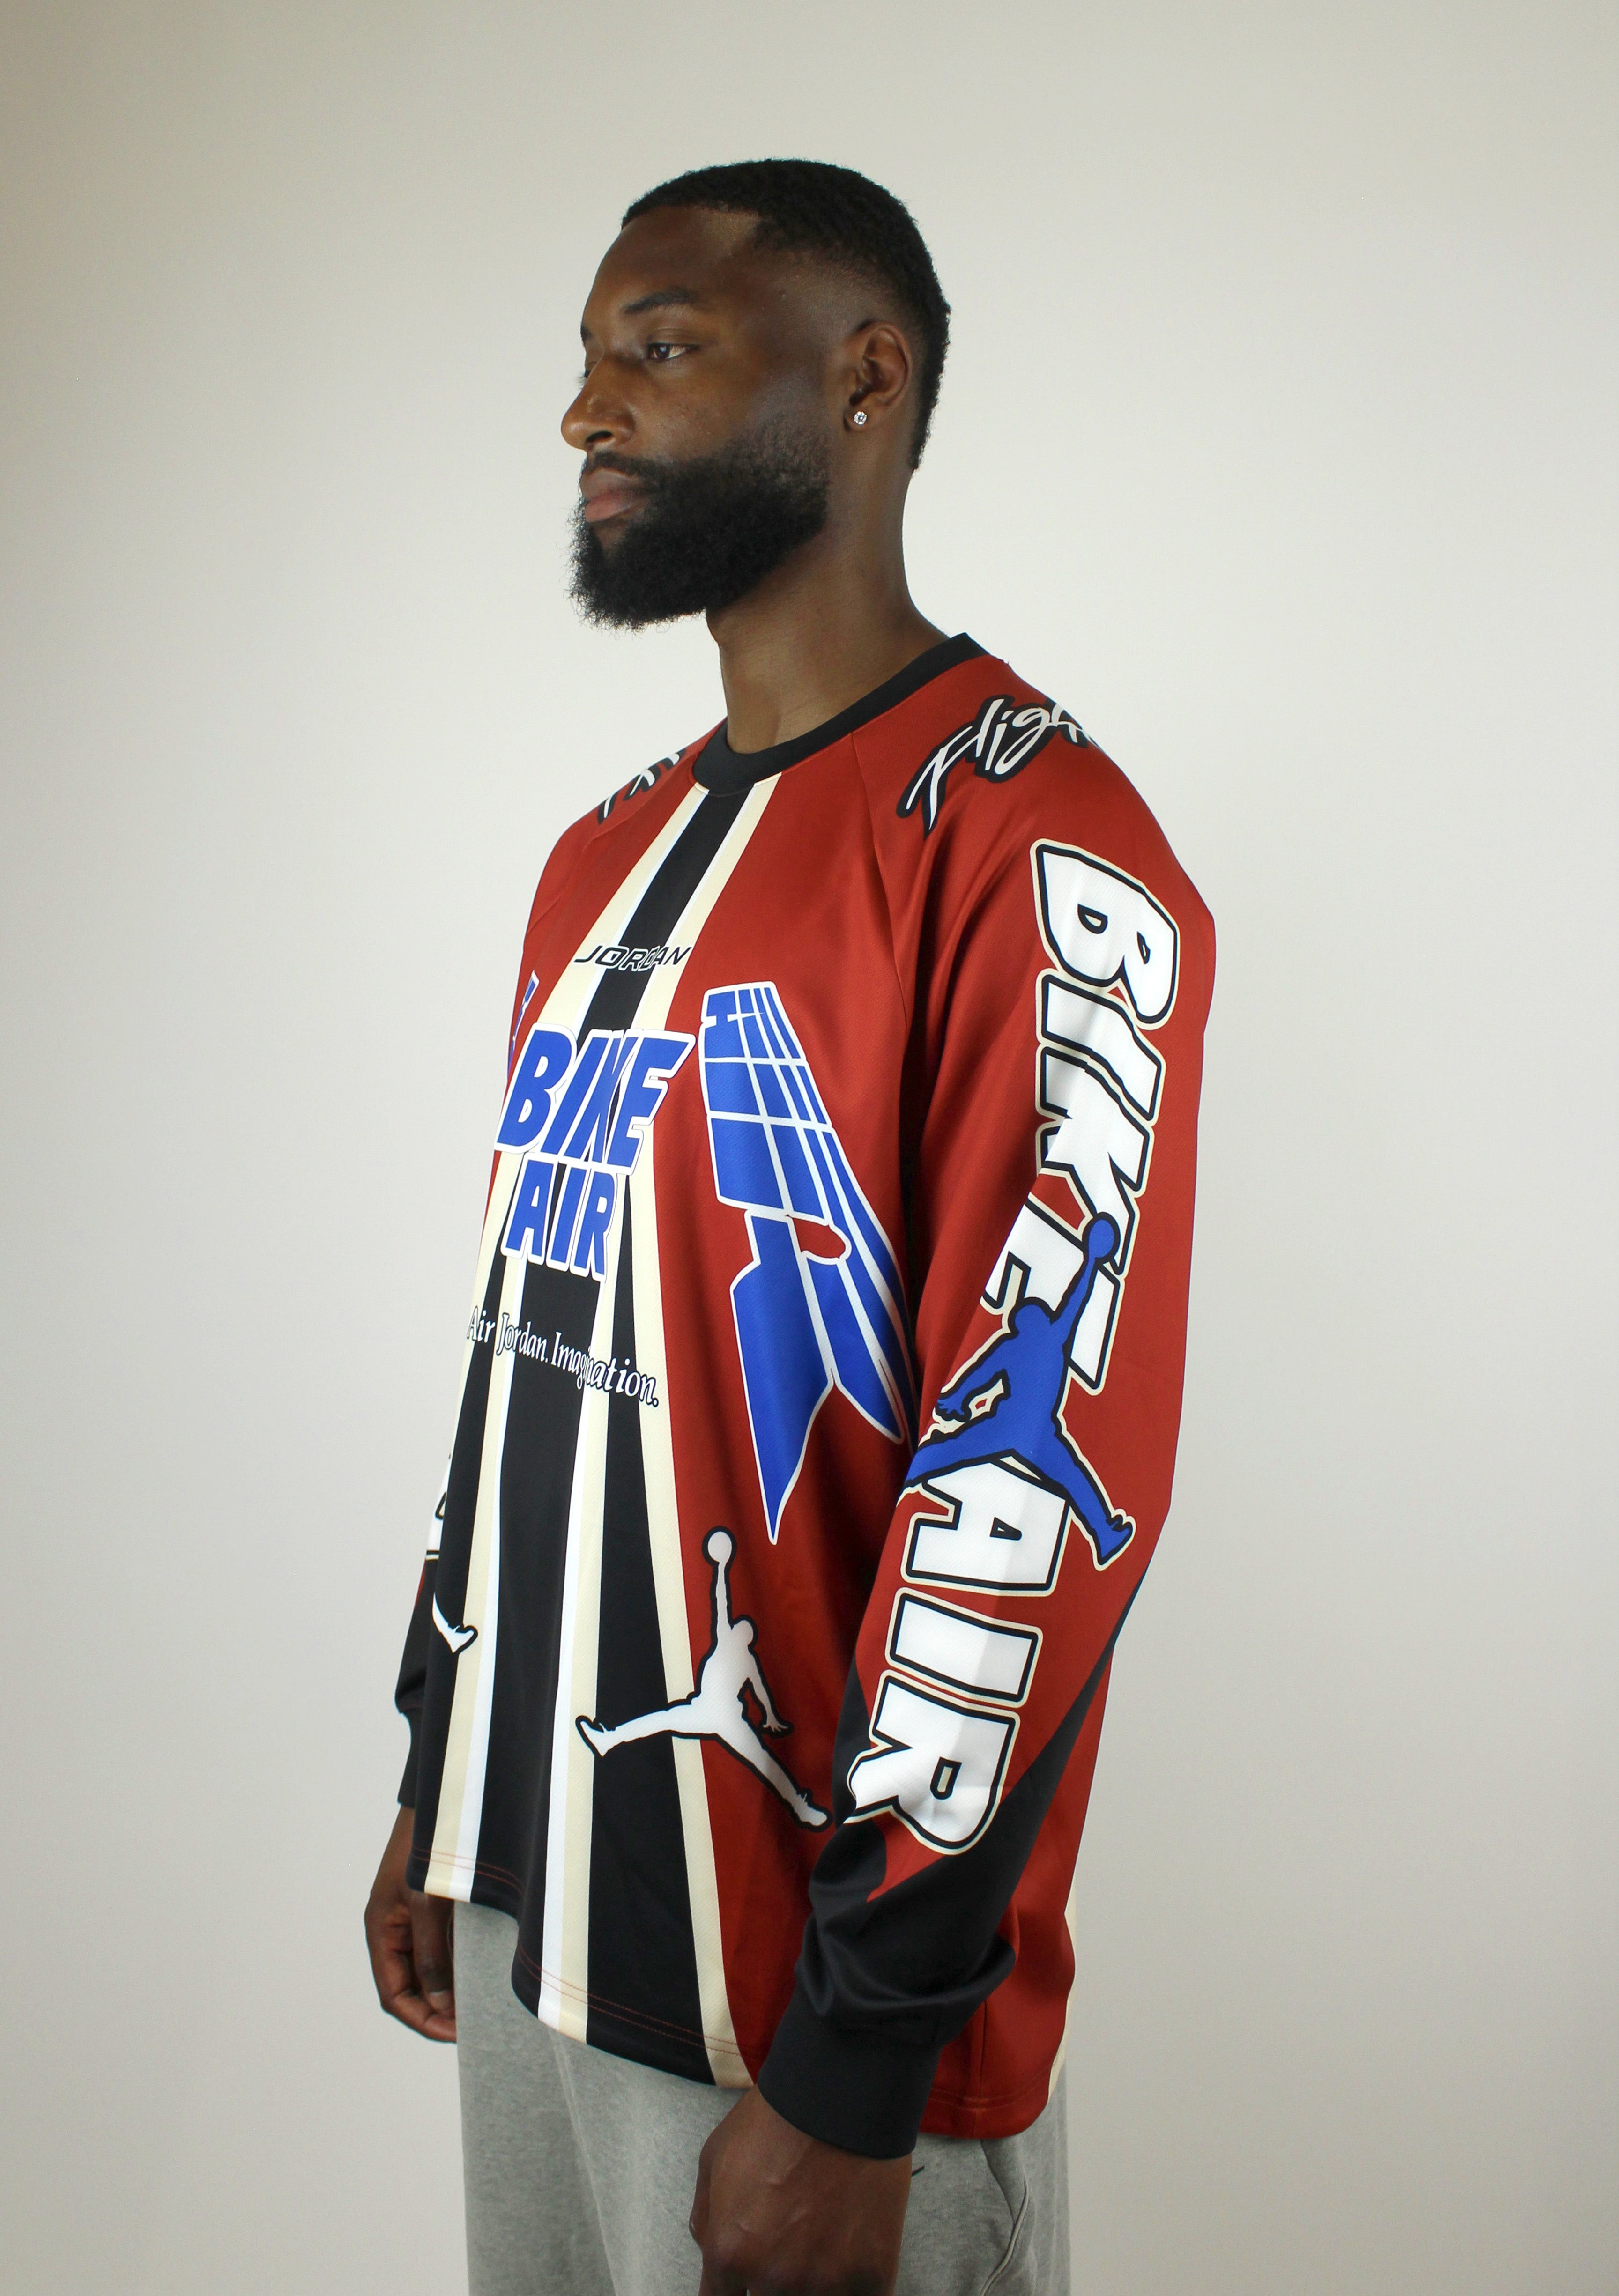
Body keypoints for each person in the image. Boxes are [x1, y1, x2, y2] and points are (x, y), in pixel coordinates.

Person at [364, 158, 1215, 2296]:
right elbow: (538, 1348)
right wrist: (440, 1770)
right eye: (587, 357)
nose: (587, 410)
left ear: (864, 377)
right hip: (538, 1906)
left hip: (803, 2030)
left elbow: (1036, 1474)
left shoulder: (1034, 839)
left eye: (657, 347)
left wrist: (858, 2064)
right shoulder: (599, 856)